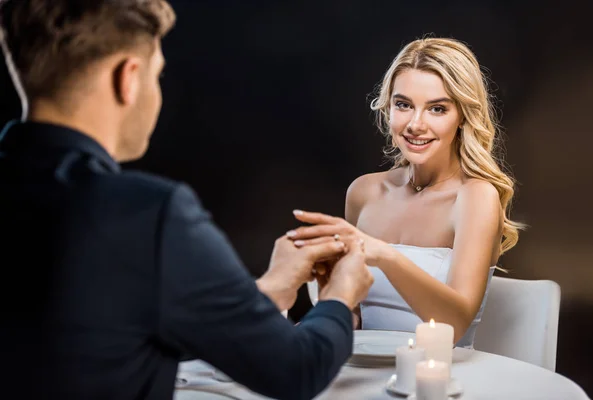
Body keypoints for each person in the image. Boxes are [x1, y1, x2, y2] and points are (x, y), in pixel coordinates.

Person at [0, 1, 374, 399]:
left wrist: (266, 290)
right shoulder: (147, 214)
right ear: (128, 77)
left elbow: (93, 333)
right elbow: (298, 370)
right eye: (156, 74)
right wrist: (338, 298)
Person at [288, 37, 525, 347]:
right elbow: (356, 318)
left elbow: (454, 324)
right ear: (388, 108)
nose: (415, 124)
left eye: (437, 109)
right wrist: (321, 307)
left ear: (463, 117)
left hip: (443, 381)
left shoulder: (475, 197)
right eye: (403, 105)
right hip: (362, 374)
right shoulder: (364, 192)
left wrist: (386, 255)